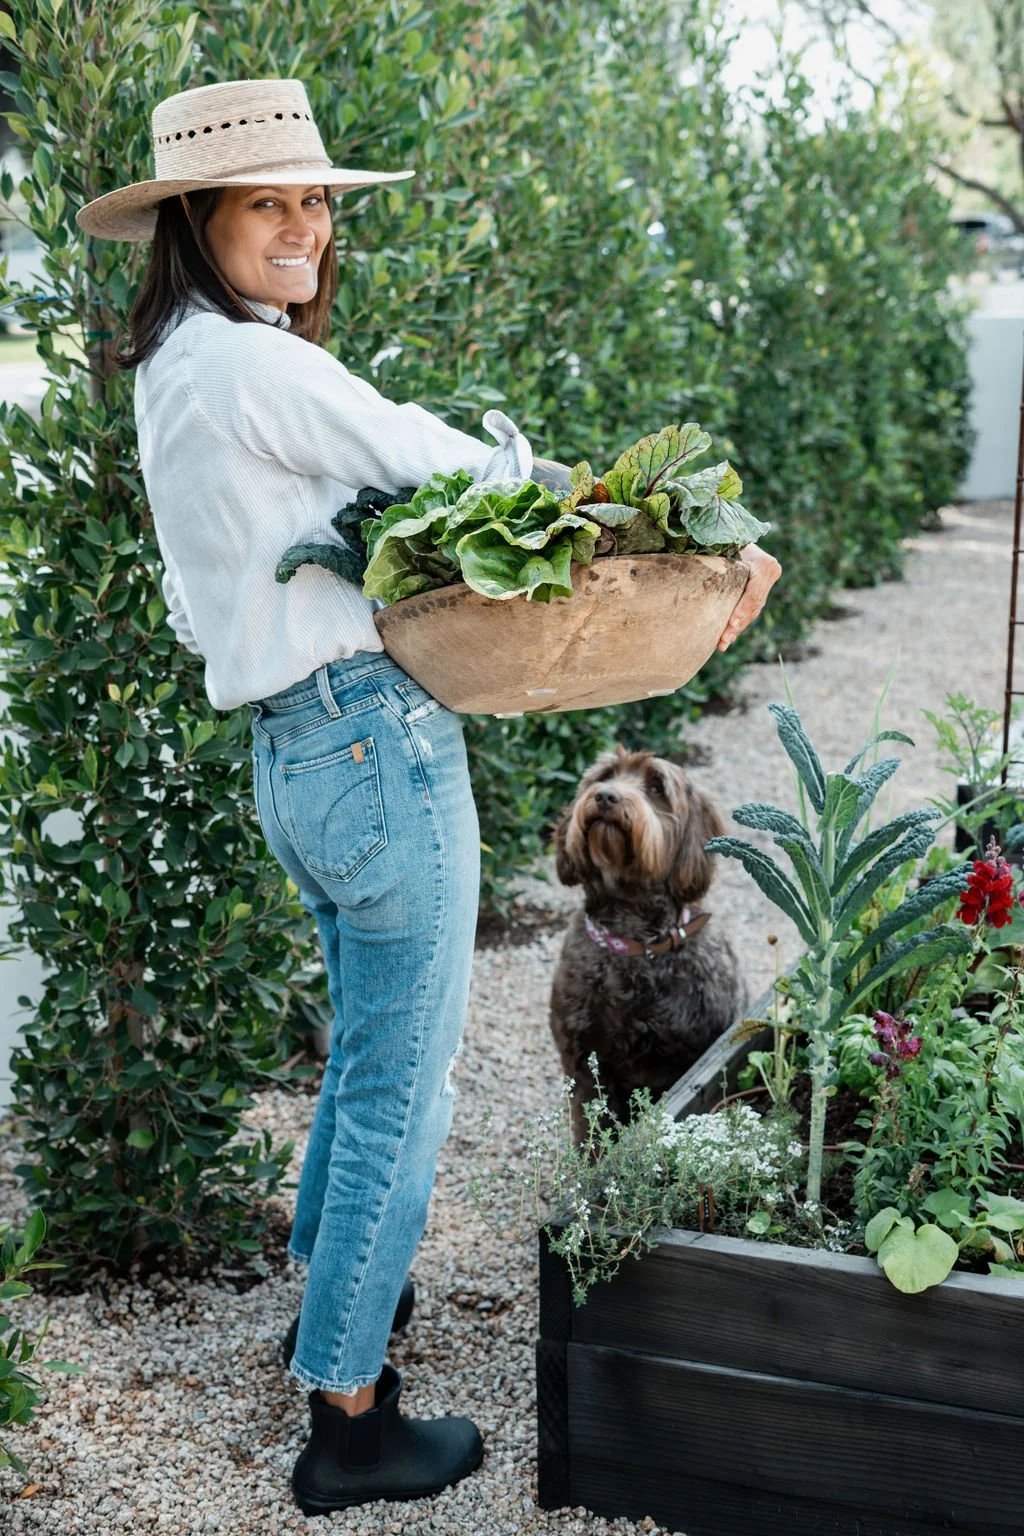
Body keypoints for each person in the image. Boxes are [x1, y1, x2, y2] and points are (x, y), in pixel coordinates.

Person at [76, 76, 781, 1516]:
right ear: (193, 219)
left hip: (293, 748)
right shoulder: (259, 367)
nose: (305, 227)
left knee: (364, 1058)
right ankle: (350, 1423)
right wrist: (657, 525)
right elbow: (438, 461)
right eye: (268, 201)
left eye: (316, 200)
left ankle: (336, 1310)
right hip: (370, 748)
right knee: (406, 1082)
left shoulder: (175, 371)